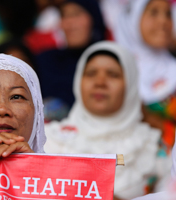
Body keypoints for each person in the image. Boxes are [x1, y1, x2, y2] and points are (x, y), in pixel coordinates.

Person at [44, 41, 163, 199]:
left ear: (131, 85)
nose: (100, 83)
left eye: (113, 75)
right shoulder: (49, 140)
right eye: (91, 73)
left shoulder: (152, 146)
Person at [115, 0, 176, 150]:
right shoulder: (112, 73)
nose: (163, 21)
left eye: (168, 14)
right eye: (153, 12)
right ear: (132, 19)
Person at [36, 0, 107, 118]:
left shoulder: (110, 62)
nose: (69, 23)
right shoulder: (45, 61)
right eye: (64, 15)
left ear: (94, 18)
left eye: (76, 14)